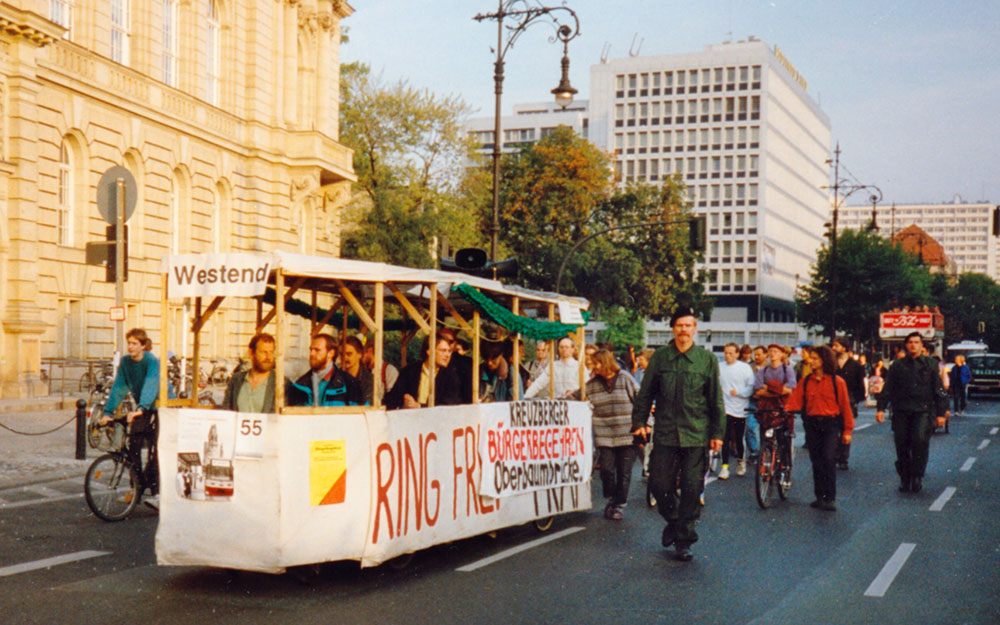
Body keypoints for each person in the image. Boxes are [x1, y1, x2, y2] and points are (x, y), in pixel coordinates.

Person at [631, 307, 725, 562]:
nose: (684, 330)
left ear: (695, 329)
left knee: (693, 489)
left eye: (688, 325)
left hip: (696, 434)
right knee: (659, 485)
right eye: (679, 325)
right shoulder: (661, 358)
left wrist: (718, 432)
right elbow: (645, 393)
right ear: (673, 328)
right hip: (666, 434)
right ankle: (674, 522)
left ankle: (684, 539)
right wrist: (639, 421)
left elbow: (715, 398)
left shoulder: (706, 360)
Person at [876, 332, 949, 493]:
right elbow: (888, 388)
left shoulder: (930, 364)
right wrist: (881, 408)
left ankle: (917, 476)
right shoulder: (897, 365)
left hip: (922, 411)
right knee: (901, 445)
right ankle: (905, 477)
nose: (913, 345)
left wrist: (941, 413)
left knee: (920, 442)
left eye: (916, 342)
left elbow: (939, 390)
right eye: (910, 342)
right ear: (906, 345)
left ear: (922, 346)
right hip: (901, 411)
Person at [783, 345, 854, 511]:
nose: (812, 361)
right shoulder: (806, 381)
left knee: (829, 459)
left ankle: (830, 498)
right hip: (812, 424)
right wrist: (786, 410)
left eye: (815, 359)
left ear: (824, 361)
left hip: (830, 424)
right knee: (816, 460)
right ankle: (819, 496)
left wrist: (848, 430)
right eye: (811, 358)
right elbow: (795, 400)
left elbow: (845, 407)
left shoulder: (838, 382)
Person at [100, 328, 162, 508]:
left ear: (143, 346)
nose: (130, 346)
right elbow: (119, 387)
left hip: (160, 404)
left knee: (157, 448)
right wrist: (108, 412)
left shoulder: (151, 361)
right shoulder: (126, 362)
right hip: (143, 407)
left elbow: (151, 383)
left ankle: (157, 493)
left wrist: (141, 407)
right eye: (129, 343)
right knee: (133, 443)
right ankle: (137, 487)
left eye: (135, 343)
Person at [581, 349, 639, 520]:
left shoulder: (625, 378)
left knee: (624, 473)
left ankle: (618, 504)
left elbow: (641, 399)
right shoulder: (592, 384)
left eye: (596, 363)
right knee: (606, 470)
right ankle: (612, 498)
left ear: (605, 362)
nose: (594, 366)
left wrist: (645, 424)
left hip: (627, 433)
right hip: (604, 435)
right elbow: (578, 396)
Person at [384, 335, 462, 409]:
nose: (447, 355)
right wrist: (403, 399)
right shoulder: (409, 371)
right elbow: (392, 398)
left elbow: (448, 405)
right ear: (429, 351)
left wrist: (419, 406)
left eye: (449, 351)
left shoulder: (451, 377)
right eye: (443, 351)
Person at [288, 334, 363, 407]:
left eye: (317, 350)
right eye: (311, 349)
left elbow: (361, 415)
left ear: (330, 353)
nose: (312, 354)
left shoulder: (349, 385)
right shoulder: (299, 386)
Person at [222, 333, 291, 413]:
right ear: (251, 353)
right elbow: (226, 411)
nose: (268, 357)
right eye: (263, 352)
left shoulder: (281, 383)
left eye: (271, 352)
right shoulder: (236, 380)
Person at [718, 343, 755, 479]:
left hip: (740, 407)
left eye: (731, 353)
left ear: (737, 354)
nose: (728, 356)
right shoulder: (720, 367)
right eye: (726, 353)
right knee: (725, 437)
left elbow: (751, 387)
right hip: (725, 407)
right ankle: (724, 467)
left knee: (738, 438)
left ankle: (741, 461)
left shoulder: (745, 368)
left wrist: (739, 393)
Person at [831, 337, 866, 470]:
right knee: (833, 429)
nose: (834, 348)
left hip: (849, 399)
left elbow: (860, 384)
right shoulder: (831, 363)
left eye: (836, 346)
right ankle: (834, 455)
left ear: (844, 347)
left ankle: (843, 458)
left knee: (846, 429)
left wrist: (856, 399)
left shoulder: (856, 365)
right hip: (832, 399)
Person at [340, 335, 373, 405]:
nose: (344, 358)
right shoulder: (335, 378)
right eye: (341, 354)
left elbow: (367, 404)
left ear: (360, 354)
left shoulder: (369, 380)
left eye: (349, 354)